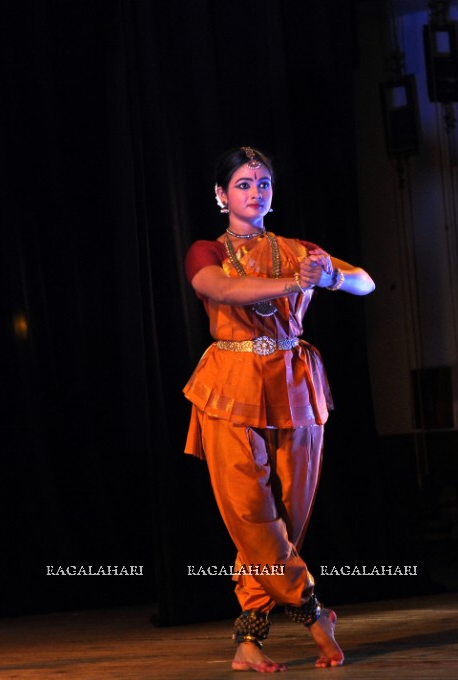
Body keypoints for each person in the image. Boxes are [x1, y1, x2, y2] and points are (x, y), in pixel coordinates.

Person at [182, 146, 375, 672]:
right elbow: (219, 288)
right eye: (243, 184)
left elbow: (365, 280)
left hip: (294, 384)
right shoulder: (207, 250)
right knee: (251, 516)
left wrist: (329, 276)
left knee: (286, 518)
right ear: (221, 196)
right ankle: (313, 611)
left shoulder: (298, 250)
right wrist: (298, 282)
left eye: (263, 183)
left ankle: (249, 639)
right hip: (230, 385)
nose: (255, 192)